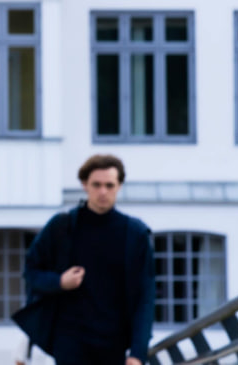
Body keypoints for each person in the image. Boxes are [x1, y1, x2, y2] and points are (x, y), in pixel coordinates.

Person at [14, 154, 155, 365]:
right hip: (69, 341)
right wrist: (59, 282)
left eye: (109, 185)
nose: (102, 192)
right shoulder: (62, 226)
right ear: (84, 185)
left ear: (119, 186)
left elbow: (145, 295)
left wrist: (137, 353)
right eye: (96, 184)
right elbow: (31, 272)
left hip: (114, 343)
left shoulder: (135, 233)